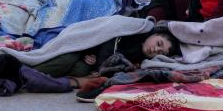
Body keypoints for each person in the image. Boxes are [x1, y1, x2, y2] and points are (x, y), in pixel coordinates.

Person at [32, 29, 180, 82]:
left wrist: (97, 64)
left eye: (160, 52)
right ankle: (27, 72)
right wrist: (100, 64)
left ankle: (37, 76)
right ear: (156, 34)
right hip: (81, 43)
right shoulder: (137, 29)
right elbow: (109, 35)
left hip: (91, 57)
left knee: (80, 70)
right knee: (67, 59)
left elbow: (117, 66)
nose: (155, 49)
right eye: (158, 43)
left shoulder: (139, 60)